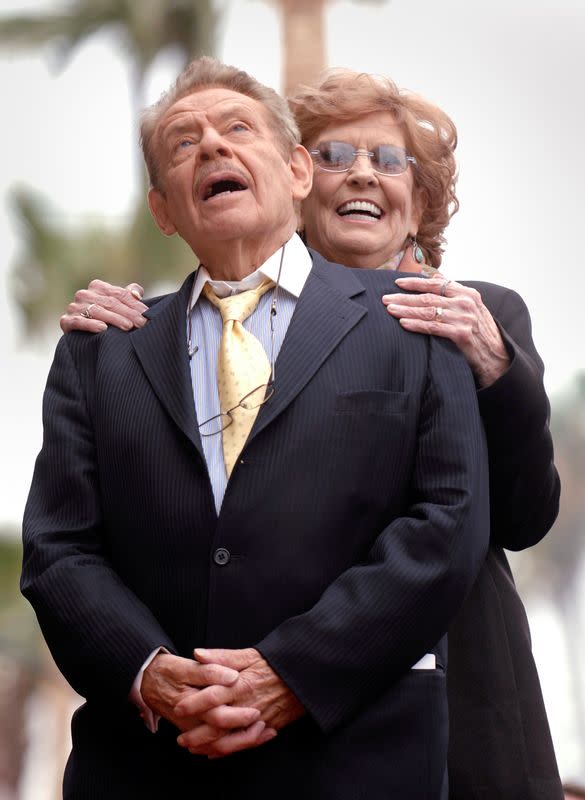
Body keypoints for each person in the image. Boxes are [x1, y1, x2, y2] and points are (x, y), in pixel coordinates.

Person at [62, 68, 563, 799]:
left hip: (459, 678)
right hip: (269, 712)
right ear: (297, 180)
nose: (362, 172)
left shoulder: (470, 316)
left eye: (388, 160)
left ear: (417, 200)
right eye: (334, 155)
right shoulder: (210, 326)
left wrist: (493, 364)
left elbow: (520, 516)